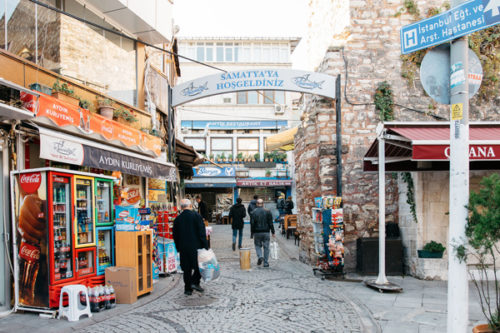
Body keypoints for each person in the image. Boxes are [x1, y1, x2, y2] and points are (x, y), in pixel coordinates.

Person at [173, 199, 208, 296]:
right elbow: (202, 232)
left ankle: (187, 289)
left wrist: (178, 247)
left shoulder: (178, 219)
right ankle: (195, 282)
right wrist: (205, 246)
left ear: (181, 207)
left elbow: (175, 235)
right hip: (196, 246)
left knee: (186, 269)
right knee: (200, 266)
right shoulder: (197, 216)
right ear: (191, 206)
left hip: (184, 247)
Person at [250, 199, 275, 268]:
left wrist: (252, 233)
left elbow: (252, 224)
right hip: (266, 232)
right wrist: (273, 232)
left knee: (257, 245)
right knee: (266, 247)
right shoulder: (268, 211)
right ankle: (266, 263)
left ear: (257, 204)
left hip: (257, 232)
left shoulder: (253, 212)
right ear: (263, 204)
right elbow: (270, 223)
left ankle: (260, 256)